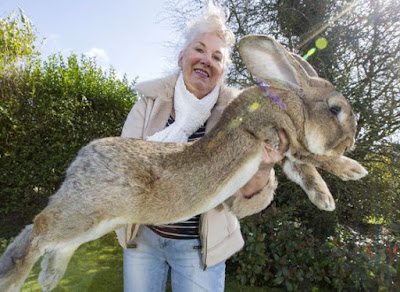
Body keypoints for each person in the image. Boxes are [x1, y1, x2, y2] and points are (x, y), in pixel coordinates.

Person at [115, 2, 289, 292]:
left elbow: (241, 199)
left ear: (222, 71)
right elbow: (123, 166)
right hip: (143, 240)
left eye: (217, 57)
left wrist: (263, 166)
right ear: (182, 56)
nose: (206, 60)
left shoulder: (238, 117)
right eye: (199, 49)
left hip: (199, 248)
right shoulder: (148, 104)